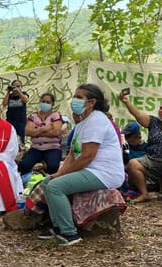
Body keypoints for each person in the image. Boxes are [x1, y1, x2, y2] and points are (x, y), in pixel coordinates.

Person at [39, 84, 125, 245]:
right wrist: (59, 173)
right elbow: (72, 154)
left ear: (91, 102)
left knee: (55, 187)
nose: (74, 101)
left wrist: (62, 176)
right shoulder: (82, 123)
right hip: (91, 170)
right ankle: (57, 226)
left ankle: (70, 234)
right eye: (75, 96)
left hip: (104, 173)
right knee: (47, 182)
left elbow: (87, 156)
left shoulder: (97, 121)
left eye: (79, 97)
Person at [120, 92, 162, 203]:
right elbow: (138, 114)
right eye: (161, 107)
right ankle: (144, 194)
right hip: (152, 161)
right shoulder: (154, 122)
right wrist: (127, 102)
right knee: (133, 164)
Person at [18, 92, 63, 175]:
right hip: (36, 148)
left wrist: (36, 132)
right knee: (23, 166)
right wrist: (44, 129)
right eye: (43, 101)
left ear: (53, 104)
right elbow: (27, 132)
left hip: (52, 148)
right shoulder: (33, 116)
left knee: (53, 167)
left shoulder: (56, 115)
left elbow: (56, 132)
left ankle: (43, 170)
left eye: (48, 102)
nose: (45, 104)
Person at [2, 79, 29, 147]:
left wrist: (19, 92)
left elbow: (25, 100)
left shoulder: (24, 94)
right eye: (14, 86)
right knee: (10, 138)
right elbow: (4, 104)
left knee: (21, 138)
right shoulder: (10, 96)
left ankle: (21, 152)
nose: (16, 87)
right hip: (10, 121)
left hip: (21, 121)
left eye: (18, 86)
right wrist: (8, 92)